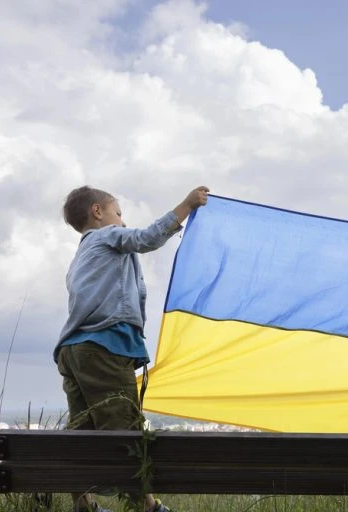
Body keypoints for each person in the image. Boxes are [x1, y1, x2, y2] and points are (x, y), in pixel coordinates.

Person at [55, 185, 209, 512]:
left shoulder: (79, 259)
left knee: (80, 432)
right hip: (103, 347)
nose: (122, 221)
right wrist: (186, 205)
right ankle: (148, 507)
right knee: (124, 428)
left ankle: (83, 504)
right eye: (118, 213)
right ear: (98, 212)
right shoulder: (107, 237)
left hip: (72, 350)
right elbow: (147, 238)